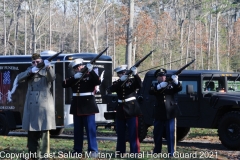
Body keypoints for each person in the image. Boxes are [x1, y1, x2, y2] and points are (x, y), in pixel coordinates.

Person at [17, 53, 56, 159]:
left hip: (44, 104)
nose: (35, 63)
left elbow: (52, 78)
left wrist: (48, 67)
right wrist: (30, 72)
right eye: (33, 62)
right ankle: (33, 154)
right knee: (32, 131)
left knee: (44, 131)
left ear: (41, 61)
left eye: (37, 61)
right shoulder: (30, 70)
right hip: (31, 103)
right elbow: (19, 78)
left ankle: (44, 155)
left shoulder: (47, 69)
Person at [62, 58, 100, 158]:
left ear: (83, 65)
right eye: (76, 67)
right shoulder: (74, 77)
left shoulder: (90, 75)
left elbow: (98, 82)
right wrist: (74, 77)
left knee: (90, 130)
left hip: (88, 106)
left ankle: (93, 150)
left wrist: (91, 71)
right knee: (77, 131)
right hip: (77, 106)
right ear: (74, 69)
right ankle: (77, 150)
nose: (78, 68)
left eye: (80, 66)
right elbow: (64, 84)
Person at [107, 65, 142, 157]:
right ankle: (120, 153)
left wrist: (135, 74)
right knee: (120, 133)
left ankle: (135, 153)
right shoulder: (117, 82)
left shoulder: (133, 81)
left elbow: (140, 85)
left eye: (124, 72)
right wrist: (121, 80)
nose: (122, 74)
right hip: (121, 109)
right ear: (118, 75)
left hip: (132, 109)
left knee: (133, 133)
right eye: (120, 73)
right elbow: (110, 89)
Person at [149, 68, 182, 157]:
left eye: (164, 76)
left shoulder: (170, 85)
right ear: (157, 78)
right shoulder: (155, 85)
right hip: (159, 112)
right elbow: (151, 91)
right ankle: (157, 151)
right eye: (160, 76)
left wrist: (176, 81)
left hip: (170, 112)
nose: (163, 77)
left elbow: (179, 88)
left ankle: (171, 152)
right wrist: (160, 86)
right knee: (157, 133)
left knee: (171, 134)